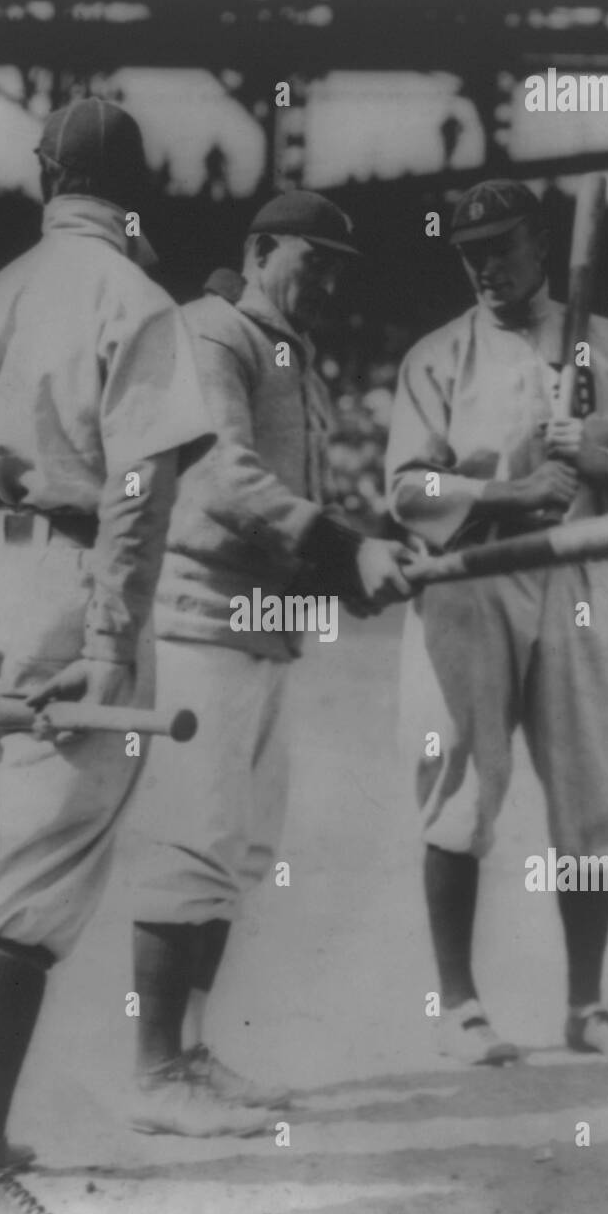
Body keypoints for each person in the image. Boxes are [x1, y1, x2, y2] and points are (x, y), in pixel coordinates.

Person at [0, 99, 212, 1214]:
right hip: (70, 579)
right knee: (33, 873)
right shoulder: (139, 302)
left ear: (43, 179)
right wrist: (114, 641)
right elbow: (135, 492)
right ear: (135, 191)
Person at [119, 191, 414, 1136]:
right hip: (201, 625)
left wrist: (344, 574)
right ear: (257, 250)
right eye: (309, 257)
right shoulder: (212, 332)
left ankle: (190, 1055)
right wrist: (340, 550)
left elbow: (290, 512)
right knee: (189, 844)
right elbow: (221, 481)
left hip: (264, 628)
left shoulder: (291, 350)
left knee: (239, 853)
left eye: (338, 265)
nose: (324, 278)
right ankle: (153, 1071)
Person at [386, 180, 608, 1067]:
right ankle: (460, 1004)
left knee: (591, 793)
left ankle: (585, 1004)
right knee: (460, 787)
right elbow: (406, 488)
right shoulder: (439, 355)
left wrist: (591, 457)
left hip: (576, 567)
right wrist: (506, 489)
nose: (485, 266)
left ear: (539, 244)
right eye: (471, 253)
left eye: (501, 247)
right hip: (473, 572)